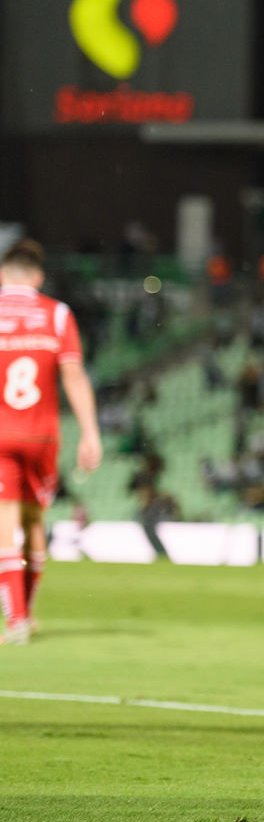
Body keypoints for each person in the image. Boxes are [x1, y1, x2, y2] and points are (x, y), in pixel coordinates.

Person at [0, 239, 102, 644]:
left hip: (0, 434)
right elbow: (73, 376)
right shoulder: (57, 314)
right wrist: (90, 431)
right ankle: (27, 612)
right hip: (42, 435)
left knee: (4, 522)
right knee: (33, 521)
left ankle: (17, 620)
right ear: (39, 277)